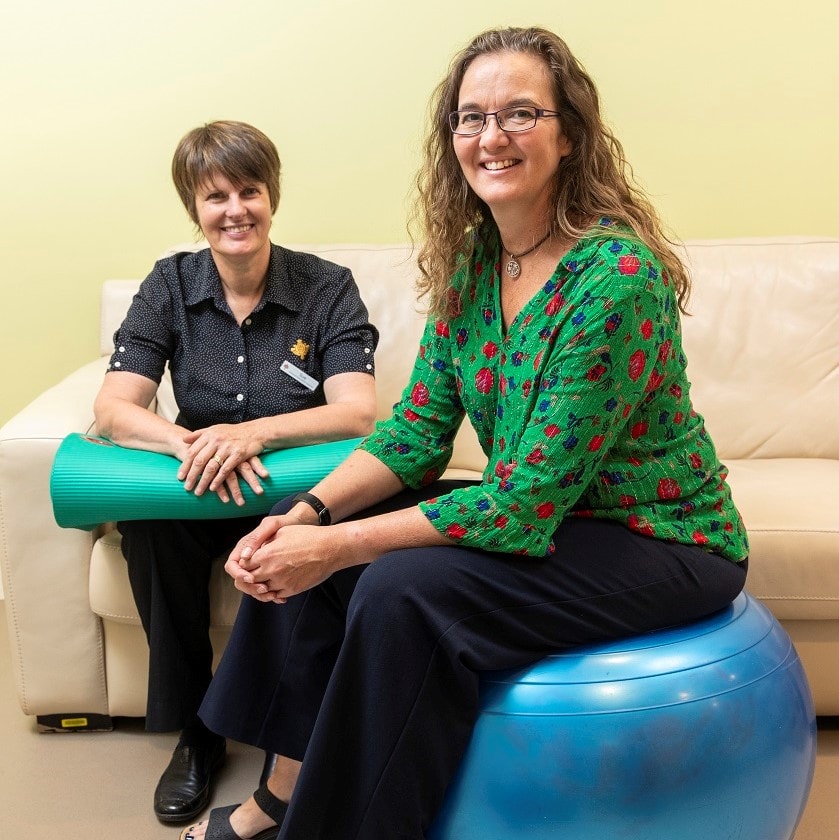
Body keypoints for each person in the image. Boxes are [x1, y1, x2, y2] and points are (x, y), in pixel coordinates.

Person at [182, 27, 749, 840]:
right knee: (319, 537)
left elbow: (521, 502)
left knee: (397, 587)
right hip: (554, 518)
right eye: (470, 117)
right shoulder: (475, 263)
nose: (491, 136)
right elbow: (414, 432)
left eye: (520, 113)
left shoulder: (616, 276)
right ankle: (278, 794)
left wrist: (340, 550)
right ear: (451, 140)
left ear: (567, 134)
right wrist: (307, 516)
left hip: (657, 537)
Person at [92, 120, 378, 825]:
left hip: (290, 491)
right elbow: (114, 407)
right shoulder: (169, 284)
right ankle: (198, 733)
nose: (234, 210)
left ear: (271, 196)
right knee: (149, 529)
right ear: (196, 208)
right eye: (215, 195)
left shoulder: (326, 288)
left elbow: (356, 412)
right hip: (198, 484)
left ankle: (295, 732)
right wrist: (185, 445)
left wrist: (250, 434)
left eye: (248, 190)